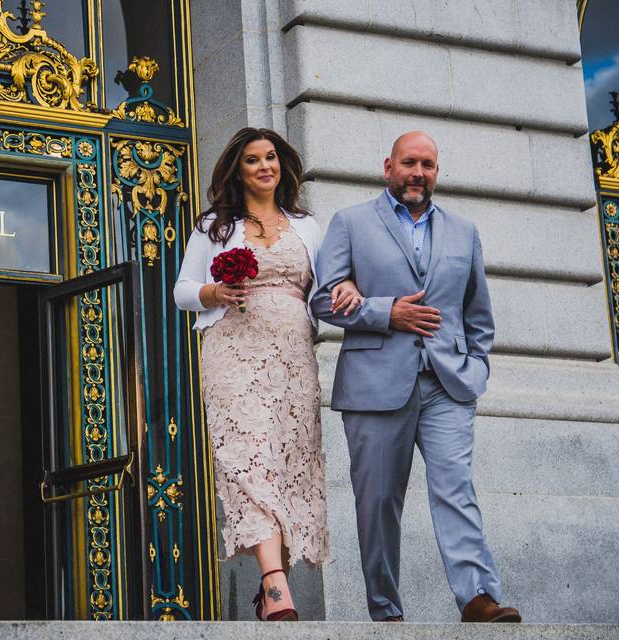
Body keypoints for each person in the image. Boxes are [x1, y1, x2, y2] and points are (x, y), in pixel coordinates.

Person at [311, 131, 521, 623]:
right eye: (409, 163)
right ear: (388, 167)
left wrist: (476, 369)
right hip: (375, 386)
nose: (418, 173)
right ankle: (385, 611)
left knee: (456, 488)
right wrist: (387, 313)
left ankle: (476, 597)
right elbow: (323, 300)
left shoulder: (464, 232)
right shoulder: (351, 223)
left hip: (448, 385)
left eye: (428, 164)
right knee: (379, 502)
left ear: (436, 172)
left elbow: (478, 315)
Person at [174, 127, 361, 621]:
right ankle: (275, 583)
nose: (264, 166)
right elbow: (182, 290)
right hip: (232, 350)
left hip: (292, 354)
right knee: (246, 456)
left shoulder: (306, 225)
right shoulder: (214, 225)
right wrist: (214, 292)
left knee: (287, 457)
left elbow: (326, 289)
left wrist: (349, 293)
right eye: (253, 159)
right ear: (238, 169)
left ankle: (274, 582)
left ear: (282, 166)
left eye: (271, 158)